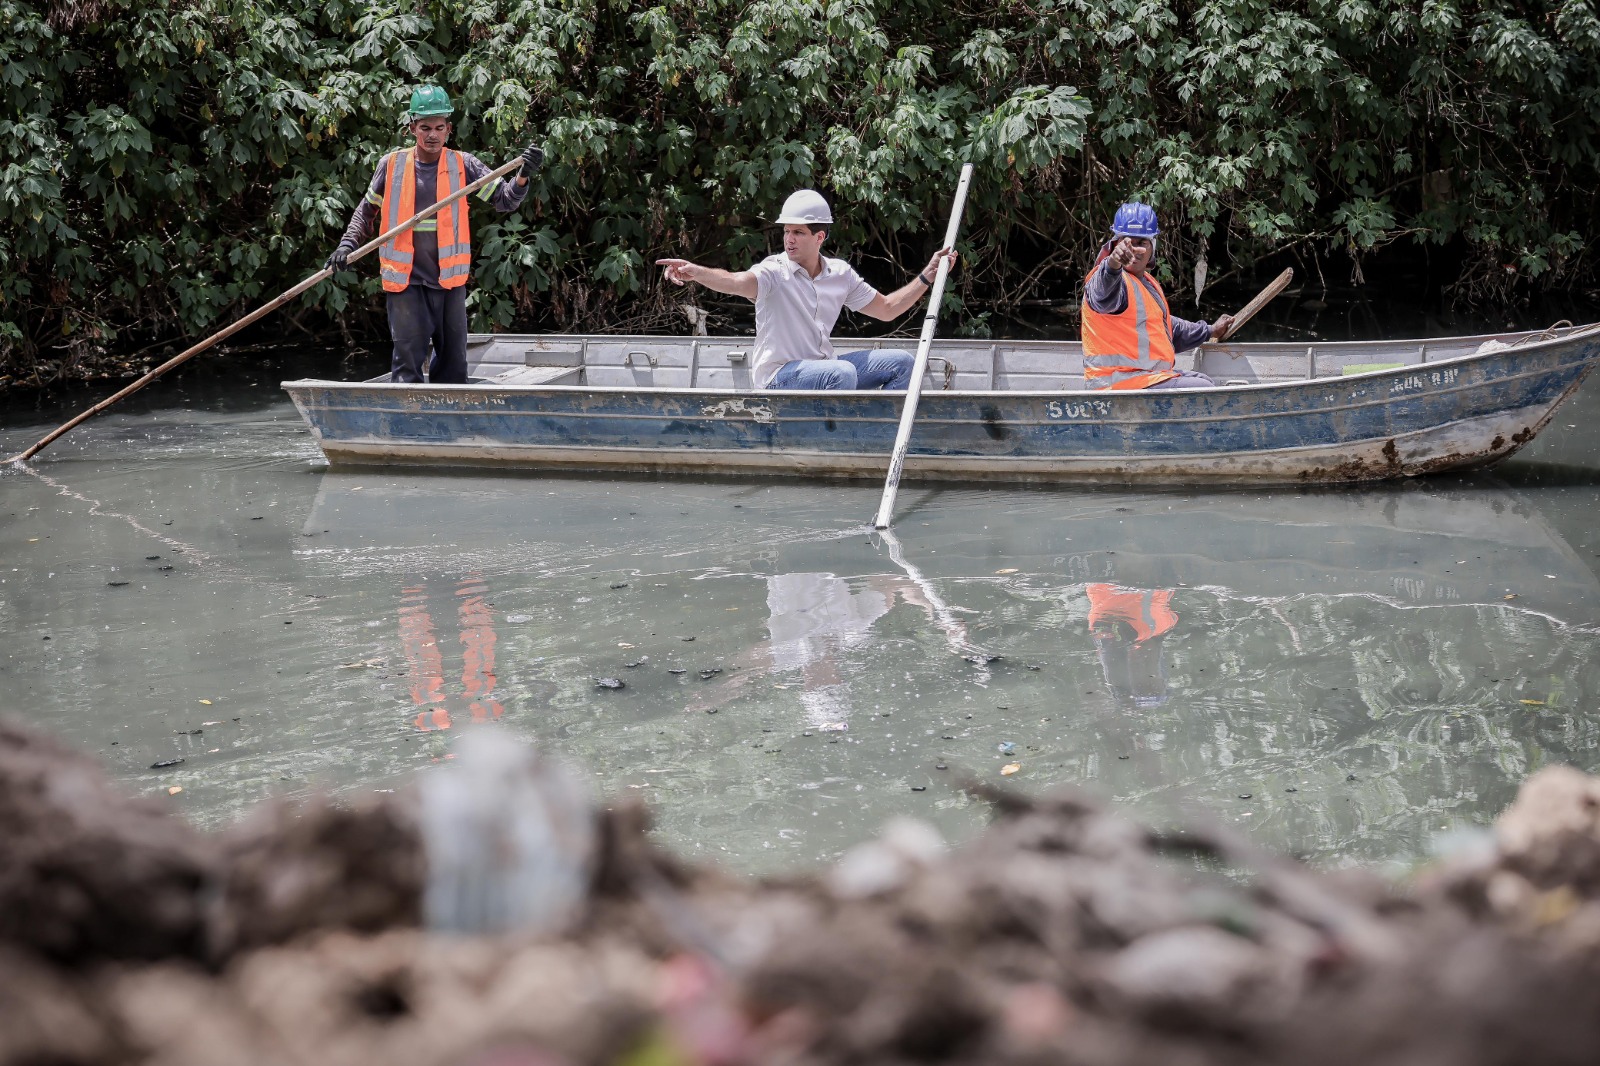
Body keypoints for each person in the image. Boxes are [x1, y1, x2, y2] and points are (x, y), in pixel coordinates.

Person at [326, 86, 544, 384]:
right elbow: (366, 212)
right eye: (425, 127)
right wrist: (346, 245)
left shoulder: (462, 164)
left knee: (454, 365)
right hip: (406, 284)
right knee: (407, 364)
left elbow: (505, 200)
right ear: (411, 128)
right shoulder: (391, 166)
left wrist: (524, 175)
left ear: (448, 129)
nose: (432, 135)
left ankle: (452, 421)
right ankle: (409, 422)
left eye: (439, 128)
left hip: (449, 283)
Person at [656, 189, 956, 390]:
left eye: (798, 232)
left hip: (824, 370)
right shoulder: (774, 271)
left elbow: (887, 310)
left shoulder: (840, 274)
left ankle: (880, 431)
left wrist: (927, 276)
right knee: (841, 373)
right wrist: (696, 272)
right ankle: (836, 437)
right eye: (786, 231)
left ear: (819, 236)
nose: (789, 239)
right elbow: (735, 282)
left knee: (902, 363)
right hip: (780, 376)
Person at [1080, 203, 1235, 390]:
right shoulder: (1110, 279)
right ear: (1116, 244)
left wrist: (1210, 330)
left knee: (1204, 380)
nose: (1134, 250)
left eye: (1141, 243)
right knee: (1202, 388)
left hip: (1145, 379)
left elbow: (1169, 328)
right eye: (1127, 242)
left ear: (1152, 246)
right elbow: (1102, 298)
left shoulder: (1146, 283)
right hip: (1117, 385)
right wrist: (1113, 264)